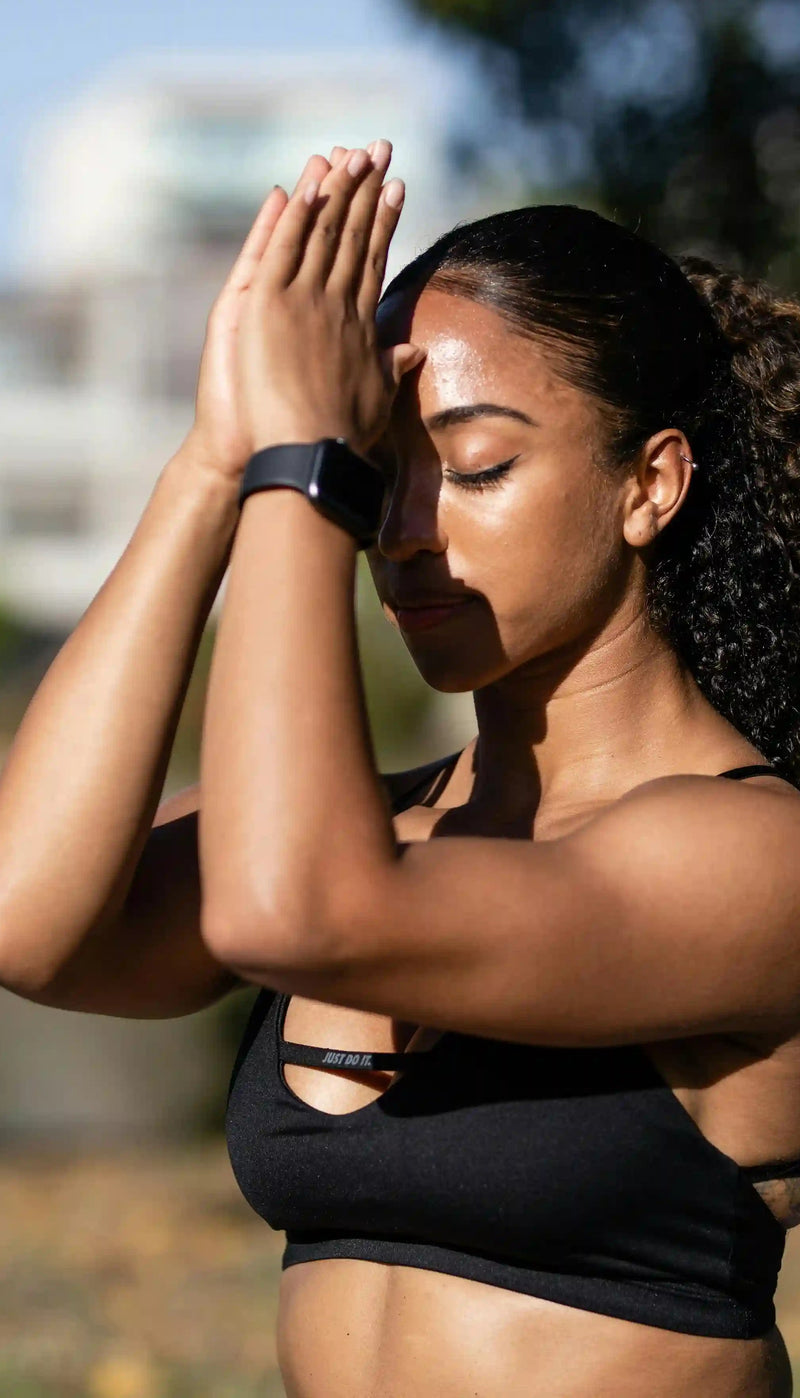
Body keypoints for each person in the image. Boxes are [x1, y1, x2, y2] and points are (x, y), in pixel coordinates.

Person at [1, 140, 800, 1398]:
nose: (403, 534)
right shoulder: (375, 828)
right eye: (386, 474)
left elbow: (294, 911)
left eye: (476, 467)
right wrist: (214, 461)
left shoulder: (753, 854)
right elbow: (32, 926)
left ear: (648, 485)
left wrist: (301, 473)